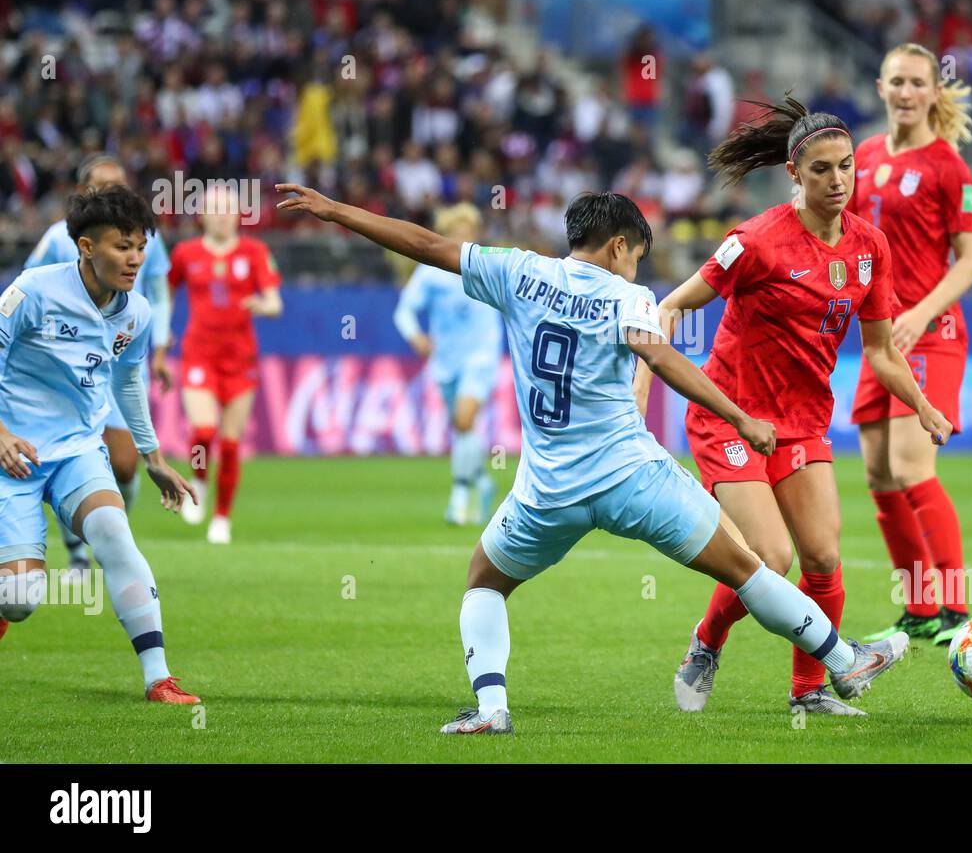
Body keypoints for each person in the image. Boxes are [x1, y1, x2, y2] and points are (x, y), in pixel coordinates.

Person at [275, 183, 910, 734]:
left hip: (546, 491)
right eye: (637, 255)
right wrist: (741, 416)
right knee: (749, 566)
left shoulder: (516, 271)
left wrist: (338, 211)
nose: (636, 268)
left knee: (483, 584)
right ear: (618, 247)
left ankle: (491, 709)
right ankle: (843, 660)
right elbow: (659, 356)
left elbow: (424, 245)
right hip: (633, 478)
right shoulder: (624, 296)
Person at [633, 96, 952, 715]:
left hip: (802, 423)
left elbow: (882, 352)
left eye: (846, 167)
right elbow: (672, 306)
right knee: (770, 558)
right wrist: (644, 381)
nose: (838, 182)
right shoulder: (754, 242)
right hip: (731, 414)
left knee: (823, 558)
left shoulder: (870, 249)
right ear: (793, 174)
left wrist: (923, 404)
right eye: (822, 170)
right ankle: (707, 641)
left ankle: (807, 692)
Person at [0, 186, 200, 703]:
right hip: (12, 455)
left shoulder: (135, 314)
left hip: (76, 452)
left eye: (140, 247)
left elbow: (129, 383)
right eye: (121, 247)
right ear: (86, 247)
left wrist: (153, 457)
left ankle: (158, 677)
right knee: (20, 601)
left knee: (114, 531)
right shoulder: (34, 291)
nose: (135, 259)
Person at [850, 43, 972, 646]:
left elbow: (971, 261)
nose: (905, 92)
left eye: (916, 83)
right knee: (878, 474)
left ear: (934, 92)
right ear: (881, 87)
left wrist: (923, 313)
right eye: (896, 81)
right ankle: (921, 607)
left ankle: (955, 606)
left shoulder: (948, 167)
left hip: (931, 336)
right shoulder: (866, 156)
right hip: (880, 338)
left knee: (910, 465)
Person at [25, 154, 172, 579]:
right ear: (84, 191)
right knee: (65, 455)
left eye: (119, 185)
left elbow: (159, 293)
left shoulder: (149, 237)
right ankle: (77, 557)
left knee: (125, 465)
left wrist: (159, 347)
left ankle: (110, 533)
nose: (112, 193)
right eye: (102, 186)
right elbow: (31, 287)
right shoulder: (58, 238)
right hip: (70, 366)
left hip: (120, 362)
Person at [167, 185, 282, 544]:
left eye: (227, 208)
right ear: (202, 214)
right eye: (214, 208)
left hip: (240, 358)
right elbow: (164, 293)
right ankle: (199, 478)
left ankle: (221, 518)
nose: (221, 214)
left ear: (238, 214)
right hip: (199, 354)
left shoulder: (255, 251)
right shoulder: (186, 253)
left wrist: (262, 306)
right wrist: (161, 331)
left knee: (231, 443)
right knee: (204, 430)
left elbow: (275, 303)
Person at [392, 203, 504, 524]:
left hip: (481, 355)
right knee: (461, 427)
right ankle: (482, 482)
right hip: (446, 361)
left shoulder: (488, 265)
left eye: (469, 232)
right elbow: (404, 311)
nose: (465, 238)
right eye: (458, 232)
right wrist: (416, 337)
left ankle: (459, 497)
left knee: (465, 419)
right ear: (447, 234)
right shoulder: (431, 273)